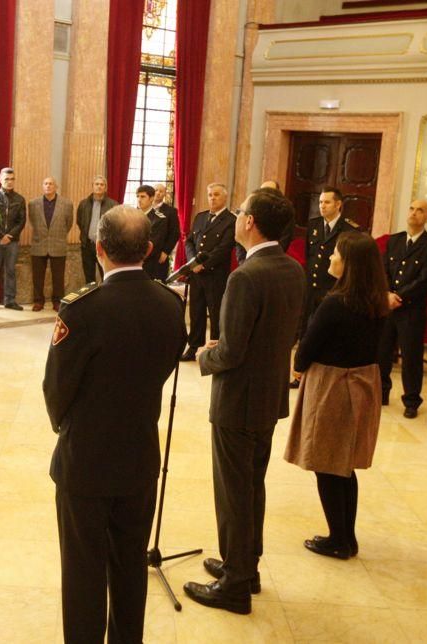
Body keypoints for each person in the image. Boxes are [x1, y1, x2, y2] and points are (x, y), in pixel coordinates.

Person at [44, 205, 186, 643]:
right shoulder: (169, 304)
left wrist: (68, 425)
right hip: (139, 457)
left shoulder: (83, 309)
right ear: (148, 249)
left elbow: (56, 391)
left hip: (85, 461)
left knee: (83, 573)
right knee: (129, 571)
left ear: (99, 248)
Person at [182, 189, 305, 616]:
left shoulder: (245, 275)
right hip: (268, 395)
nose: (236, 217)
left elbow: (231, 353)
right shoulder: (292, 268)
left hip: (238, 401)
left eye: (242, 211)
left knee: (234, 491)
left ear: (250, 222)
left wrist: (204, 354)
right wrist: (228, 345)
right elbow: (276, 333)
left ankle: (234, 586)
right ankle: (245, 566)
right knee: (252, 485)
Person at [284, 232, 389, 560]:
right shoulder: (376, 300)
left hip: (333, 384)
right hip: (362, 381)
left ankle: (338, 540)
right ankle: (347, 536)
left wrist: (298, 368)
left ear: (351, 264)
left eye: (336, 254)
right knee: (344, 466)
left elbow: (310, 345)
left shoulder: (335, 302)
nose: (330, 258)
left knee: (327, 464)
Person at [378, 200, 427, 418]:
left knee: (411, 356)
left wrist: (400, 297)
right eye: (411, 209)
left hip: (411, 309)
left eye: (420, 211)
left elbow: (425, 280)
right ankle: (381, 392)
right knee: (382, 351)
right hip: (388, 306)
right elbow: (384, 270)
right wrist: (387, 294)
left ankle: (412, 400)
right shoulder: (395, 240)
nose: (414, 213)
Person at [290, 187, 360, 387]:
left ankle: (318, 376)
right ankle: (299, 375)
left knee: (323, 333)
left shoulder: (349, 230)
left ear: (338, 205)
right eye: (320, 202)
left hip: (332, 291)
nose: (322, 206)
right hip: (311, 287)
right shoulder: (313, 225)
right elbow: (309, 257)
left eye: (327, 202)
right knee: (305, 331)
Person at [180, 183, 236, 361]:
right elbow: (189, 241)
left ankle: (215, 348)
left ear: (225, 197)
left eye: (216, 195)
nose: (212, 198)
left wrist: (203, 264)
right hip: (196, 275)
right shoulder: (200, 217)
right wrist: (192, 262)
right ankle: (194, 346)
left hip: (215, 274)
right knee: (196, 312)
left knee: (216, 311)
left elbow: (224, 248)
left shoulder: (231, 220)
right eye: (210, 194)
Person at [29, 176, 73, 311]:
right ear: (42, 186)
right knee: (37, 277)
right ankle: (38, 301)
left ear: (56, 187)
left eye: (51, 184)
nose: (48, 186)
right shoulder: (33, 204)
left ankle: (58, 301)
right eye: (46, 184)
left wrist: (57, 235)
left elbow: (69, 224)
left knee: (58, 277)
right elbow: (32, 222)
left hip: (58, 244)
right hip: (39, 244)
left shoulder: (67, 204)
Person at [0, 167, 26, 310]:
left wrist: (9, 236)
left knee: (10, 270)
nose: (9, 182)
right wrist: (0, 236)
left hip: (12, 241)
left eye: (12, 179)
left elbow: (21, 221)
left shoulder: (20, 199)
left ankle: (10, 300)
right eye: (6, 179)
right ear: (0, 180)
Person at [76, 175, 118, 284]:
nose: (99, 187)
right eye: (97, 184)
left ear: (105, 188)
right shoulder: (83, 204)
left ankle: (106, 299)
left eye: (102, 185)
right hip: (87, 245)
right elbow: (80, 222)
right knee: (89, 277)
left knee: (106, 275)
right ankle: (91, 299)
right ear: (92, 187)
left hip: (105, 246)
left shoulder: (113, 205)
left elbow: (116, 225)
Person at [136, 184, 169, 280]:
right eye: (137, 196)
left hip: (149, 263)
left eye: (143, 196)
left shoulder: (159, 219)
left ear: (151, 198)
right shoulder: (131, 216)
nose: (139, 199)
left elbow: (153, 244)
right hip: (131, 263)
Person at [152, 183, 180, 274]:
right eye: (156, 190)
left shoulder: (171, 211)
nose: (158, 193)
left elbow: (174, 233)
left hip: (160, 253)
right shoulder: (144, 208)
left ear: (165, 194)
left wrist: (165, 251)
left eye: (161, 191)